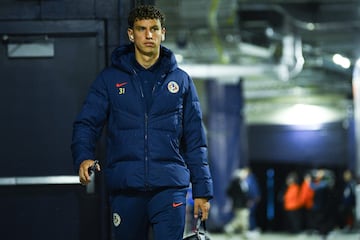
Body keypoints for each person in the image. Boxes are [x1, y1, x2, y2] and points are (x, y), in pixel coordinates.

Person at [71, 5, 213, 240]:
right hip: (126, 188)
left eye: (154, 29)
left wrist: (202, 192)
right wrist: (83, 156)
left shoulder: (182, 81)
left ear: (163, 33)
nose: (148, 35)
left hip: (169, 189)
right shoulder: (110, 80)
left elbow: (196, 141)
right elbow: (87, 123)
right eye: (142, 29)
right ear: (131, 34)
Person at [224, 169, 251, 239]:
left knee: (244, 220)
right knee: (241, 220)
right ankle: (229, 228)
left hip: (243, 204)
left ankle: (244, 234)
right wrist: (235, 198)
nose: (245, 175)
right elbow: (229, 191)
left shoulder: (243, 182)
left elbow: (244, 194)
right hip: (239, 204)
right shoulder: (236, 182)